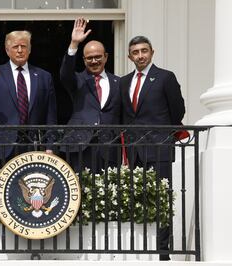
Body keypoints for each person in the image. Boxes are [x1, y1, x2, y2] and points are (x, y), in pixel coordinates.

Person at [120, 35, 186, 261]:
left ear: (152, 52)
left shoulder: (165, 77)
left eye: (144, 51)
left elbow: (178, 111)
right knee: (135, 197)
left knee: (161, 198)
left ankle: (162, 251)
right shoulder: (123, 81)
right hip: (133, 149)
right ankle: (137, 248)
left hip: (159, 147)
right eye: (136, 52)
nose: (140, 55)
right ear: (130, 56)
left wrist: (163, 135)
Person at [0, 30, 57, 164]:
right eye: (15, 47)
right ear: (7, 50)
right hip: (1, 148)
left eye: (23, 46)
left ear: (29, 50)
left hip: (33, 147)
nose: (20, 50)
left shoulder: (44, 77)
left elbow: (50, 115)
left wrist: (50, 146)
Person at [59, 18, 121, 174]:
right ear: (84, 60)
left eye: (98, 57)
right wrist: (74, 44)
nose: (94, 61)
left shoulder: (119, 82)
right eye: (89, 58)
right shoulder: (77, 80)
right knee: (80, 192)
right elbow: (65, 73)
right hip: (79, 145)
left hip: (110, 147)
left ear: (106, 57)